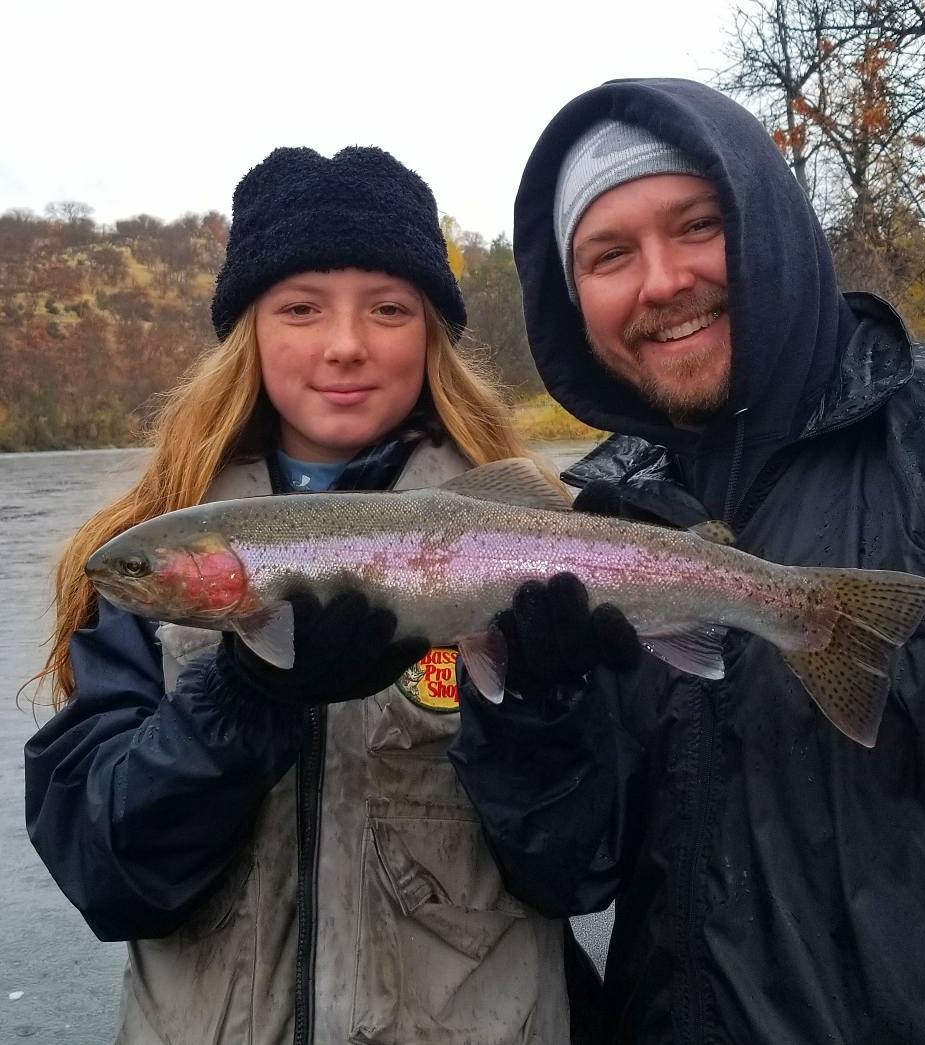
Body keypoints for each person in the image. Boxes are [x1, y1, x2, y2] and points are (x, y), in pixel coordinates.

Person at [449, 78, 925, 1043]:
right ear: (573, 298)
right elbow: (565, 873)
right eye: (609, 253)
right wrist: (535, 709)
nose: (661, 280)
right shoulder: (591, 522)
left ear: (768, 222)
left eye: (695, 223)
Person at [24, 145, 576, 1044]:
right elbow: (107, 875)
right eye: (300, 307)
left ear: (431, 334)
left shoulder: (540, 528)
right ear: (250, 331)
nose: (346, 343)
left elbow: (578, 873)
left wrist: (546, 712)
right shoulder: (144, 560)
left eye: (389, 308)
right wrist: (240, 698)